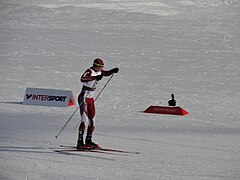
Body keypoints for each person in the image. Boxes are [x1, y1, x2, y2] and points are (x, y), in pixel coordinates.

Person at [77, 58, 119, 149]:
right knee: (84, 119)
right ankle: (80, 142)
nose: (101, 68)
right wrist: (95, 77)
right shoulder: (89, 71)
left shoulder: (99, 71)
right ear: (95, 65)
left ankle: (89, 140)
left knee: (92, 120)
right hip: (83, 97)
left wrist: (113, 71)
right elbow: (82, 79)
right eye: (99, 67)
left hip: (90, 99)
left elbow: (106, 73)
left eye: (102, 67)